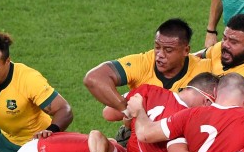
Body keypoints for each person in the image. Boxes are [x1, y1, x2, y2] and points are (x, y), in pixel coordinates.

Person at [83, 18, 214, 118]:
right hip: (142, 132)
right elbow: (94, 78)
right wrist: (128, 111)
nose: (160, 55)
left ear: (186, 50)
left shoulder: (204, 70)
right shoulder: (143, 62)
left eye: (168, 50)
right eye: (157, 47)